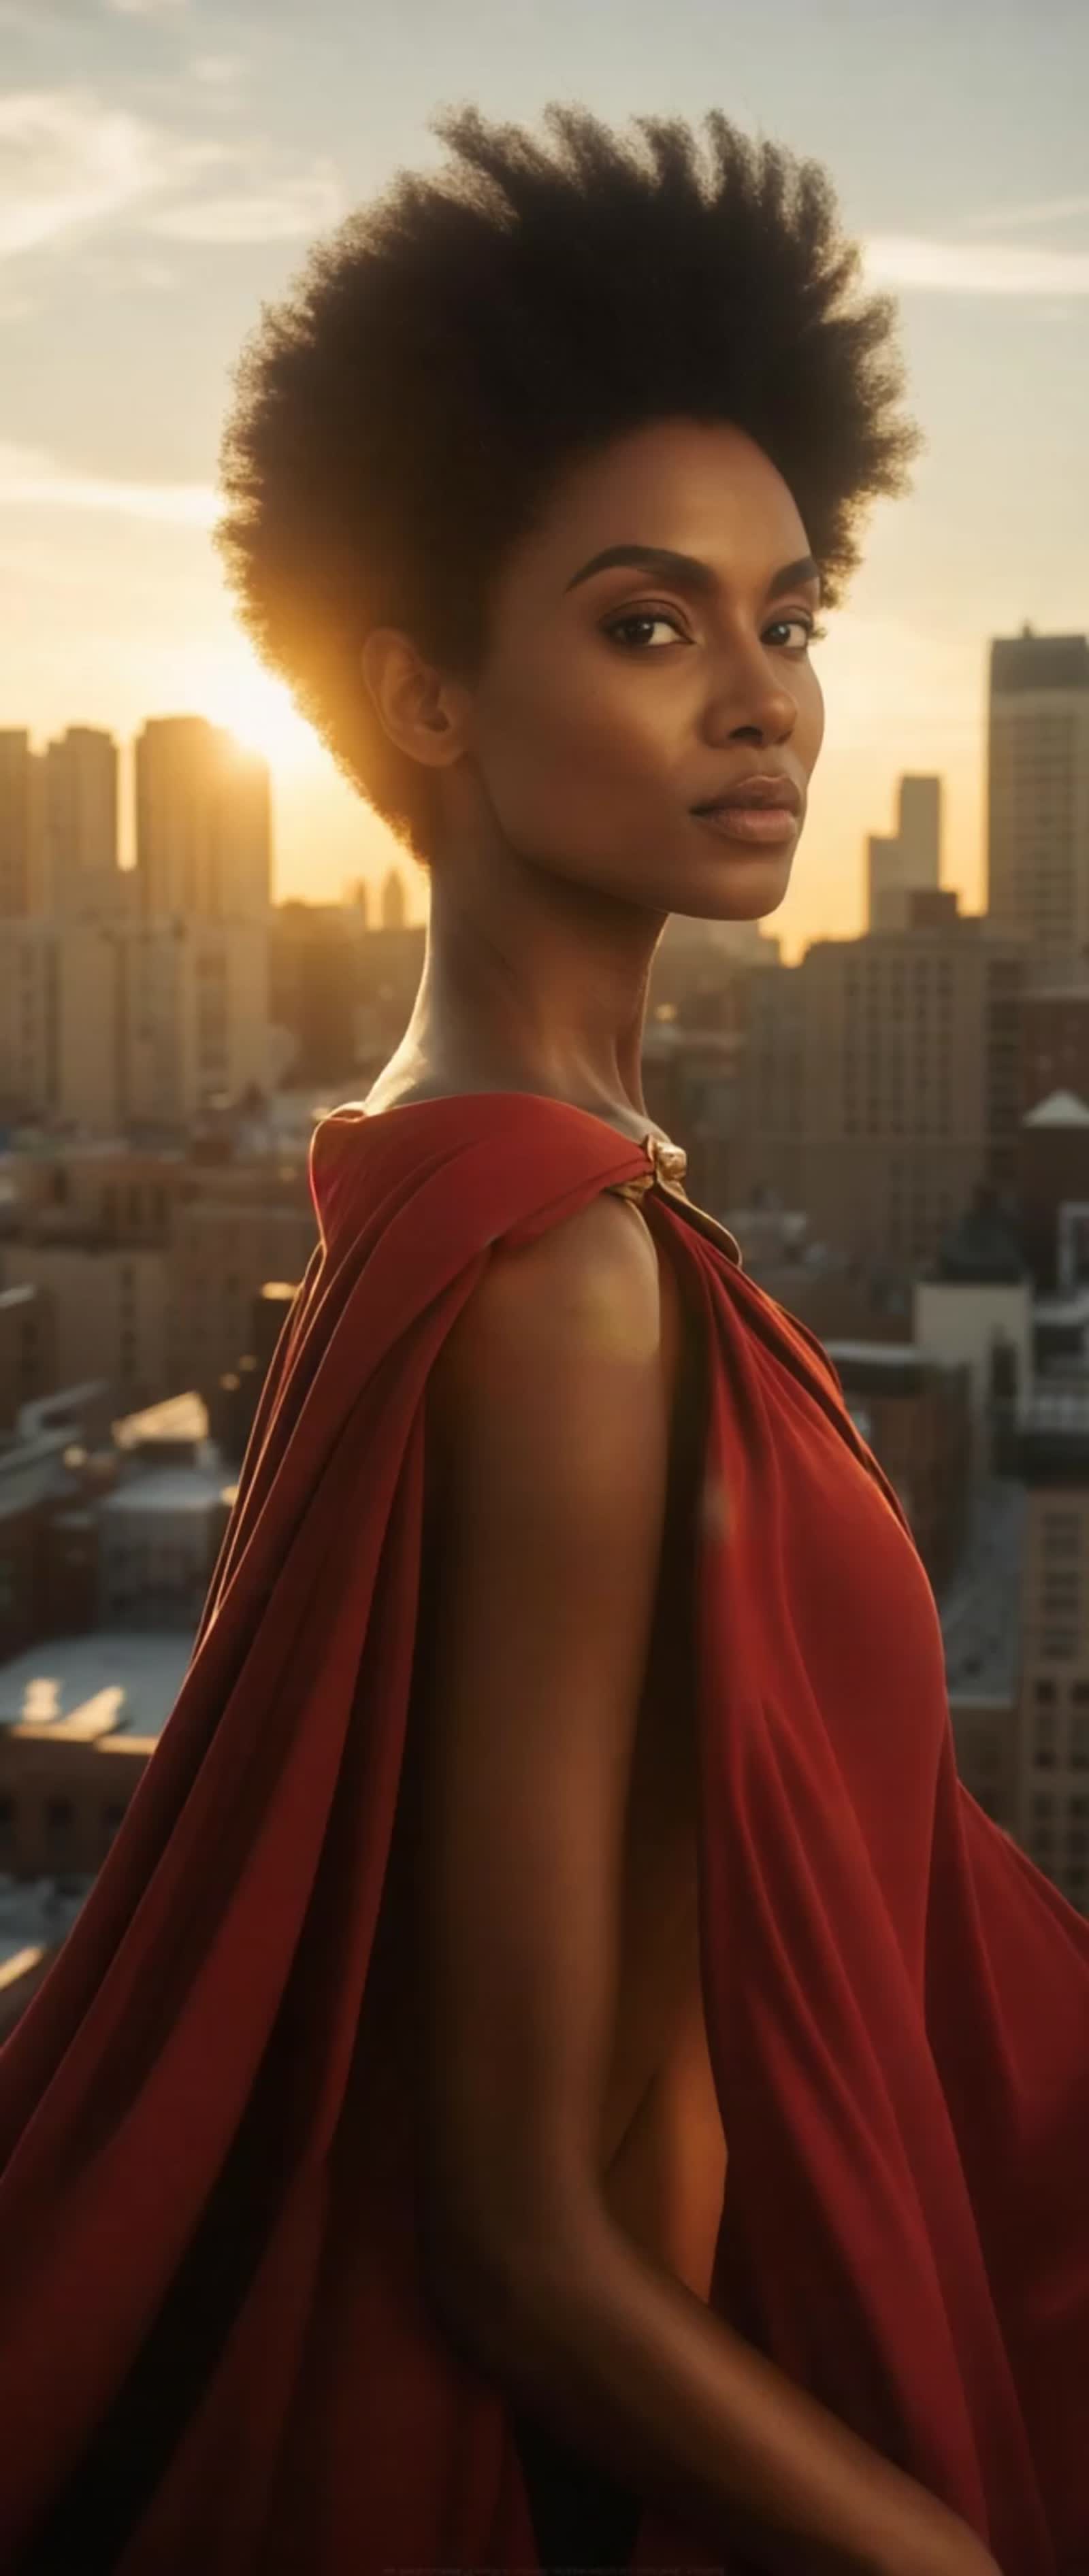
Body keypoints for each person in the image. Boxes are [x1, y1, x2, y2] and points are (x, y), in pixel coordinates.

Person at [1, 100, 1086, 2576]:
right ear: (424, 699)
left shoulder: (454, 1164)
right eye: (645, 619)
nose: (760, 700)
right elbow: (516, 2229)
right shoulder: (560, 1271)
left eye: (785, 617)